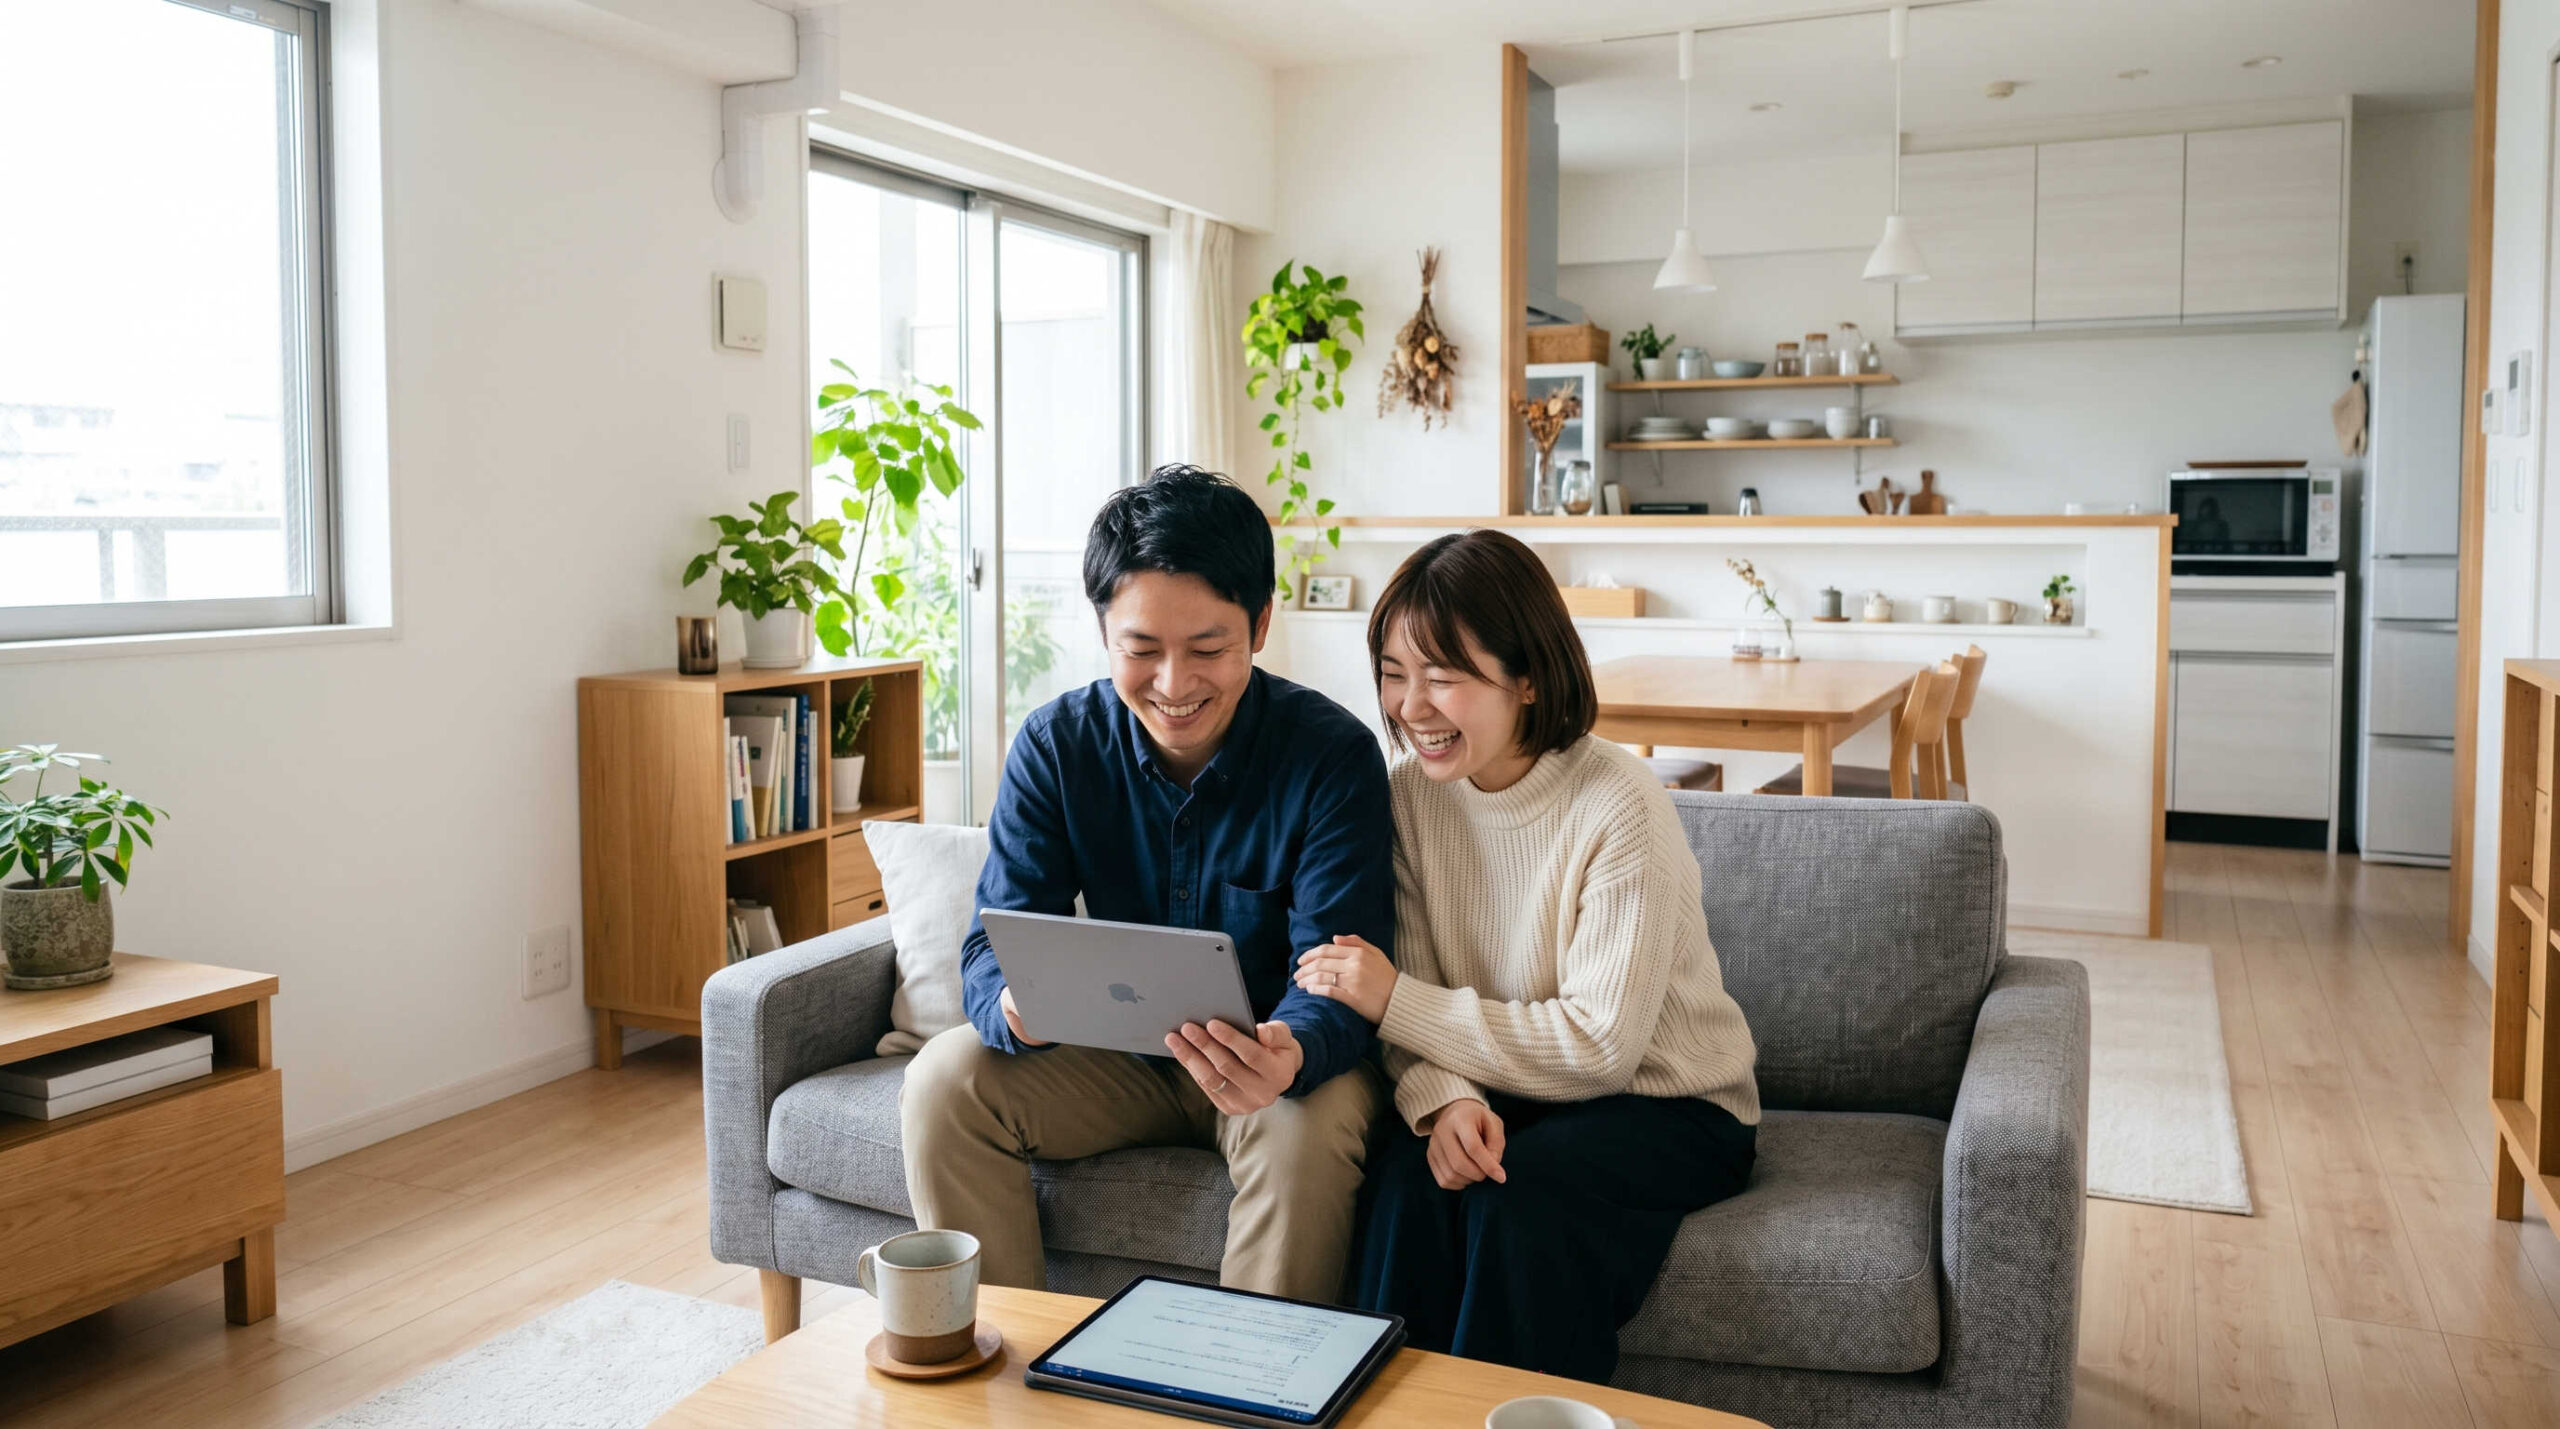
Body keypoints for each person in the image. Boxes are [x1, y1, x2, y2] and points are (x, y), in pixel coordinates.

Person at [901, 464, 1395, 1303]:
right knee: (945, 1081)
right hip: (1114, 1061)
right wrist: (1013, 1004)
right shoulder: (1057, 747)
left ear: (1262, 623)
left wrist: (1293, 1050)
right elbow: (994, 940)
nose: (1173, 684)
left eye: (1207, 648)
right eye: (1141, 650)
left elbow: (1341, 965)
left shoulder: (1331, 757)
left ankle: (1250, 1397)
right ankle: (1010, 1383)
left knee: (1307, 1133)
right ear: (1103, 632)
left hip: (1276, 1069)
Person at [1291, 528, 1761, 1383]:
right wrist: (1442, 1102)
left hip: (1672, 1107)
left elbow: (1599, 1046)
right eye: (1395, 674)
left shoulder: (1620, 803)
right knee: (1404, 1187)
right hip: (1509, 1086)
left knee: (1520, 1200)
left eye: (1442, 675)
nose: (1410, 705)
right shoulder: (1406, 799)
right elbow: (1419, 995)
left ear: (1529, 677)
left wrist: (1391, 1000)